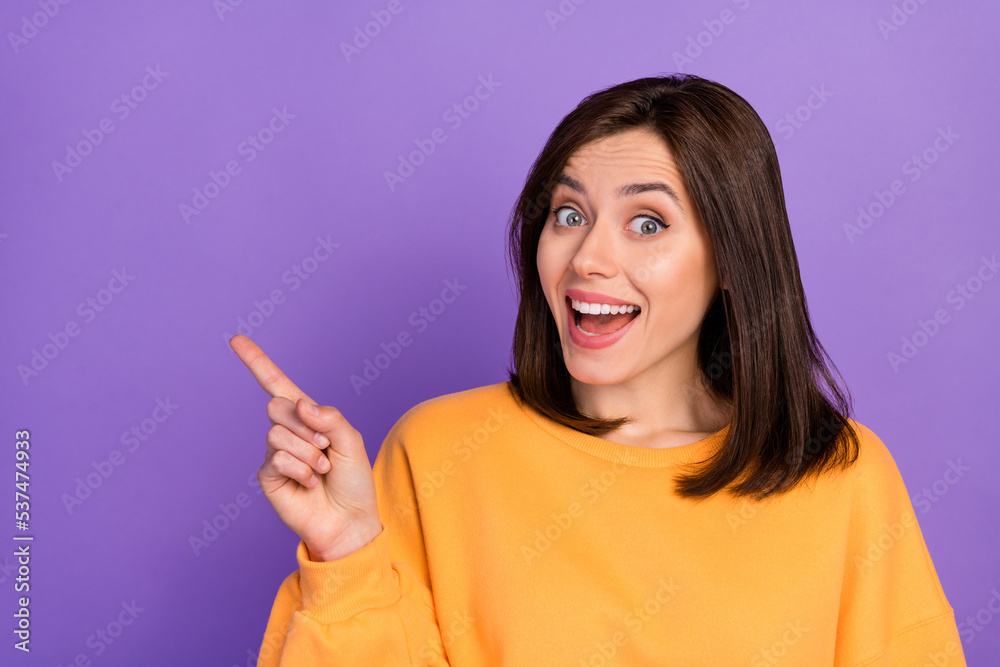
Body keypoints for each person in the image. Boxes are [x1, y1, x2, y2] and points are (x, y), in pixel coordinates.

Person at [232, 73, 966, 665]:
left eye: (647, 222)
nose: (588, 258)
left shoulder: (842, 476)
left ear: (733, 262)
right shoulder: (435, 451)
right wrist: (348, 553)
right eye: (568, 213)